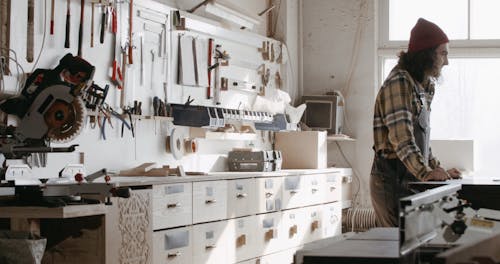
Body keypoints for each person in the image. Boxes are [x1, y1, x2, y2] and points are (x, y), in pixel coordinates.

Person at [370, 18, 462, 227]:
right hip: (390, 180)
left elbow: (420, 138)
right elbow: (402, 139)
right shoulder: (400, 82)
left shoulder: (425, 86)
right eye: (443, 53)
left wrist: (439, 169)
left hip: (409, 176)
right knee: (397, 248)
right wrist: (427, 173)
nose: (446, 62)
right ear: (427, 54)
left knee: (414, 247)